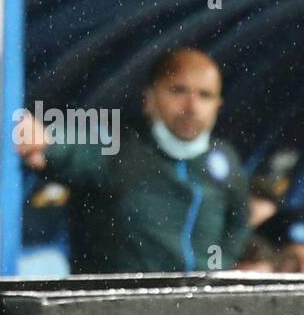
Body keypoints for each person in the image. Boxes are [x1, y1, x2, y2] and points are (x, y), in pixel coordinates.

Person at [14, 47, 251, 273]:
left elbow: (238, 224)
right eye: (178, 91)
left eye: (205, 95)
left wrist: (219, 270)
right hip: (116, 308)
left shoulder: (224, 160)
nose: (192, 106)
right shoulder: (118, 148)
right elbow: (71, 148)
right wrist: (44, 140)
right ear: (148, 98)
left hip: (199, 309)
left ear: (218, 106)